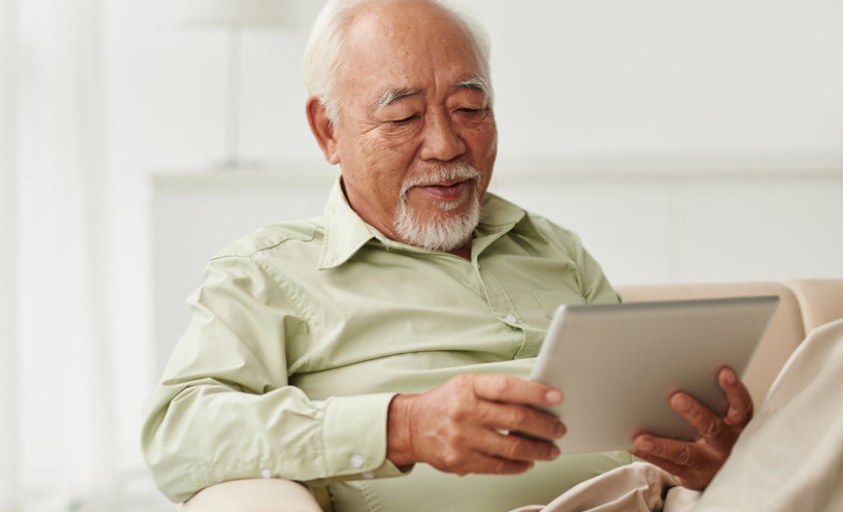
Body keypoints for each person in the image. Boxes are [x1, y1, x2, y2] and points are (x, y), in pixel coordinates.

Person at [141, 1, 752, 510]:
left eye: (469, 108)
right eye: (403, 115)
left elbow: (646, 427)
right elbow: (179, 432)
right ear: (328, 131)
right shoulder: (267, 275)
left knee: (827, 364)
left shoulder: (553, 247)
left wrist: (707, 455)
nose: (445, 144)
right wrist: (403, 428)